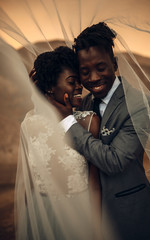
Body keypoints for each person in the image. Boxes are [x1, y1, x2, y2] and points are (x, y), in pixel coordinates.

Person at [52, 22, 150, 240]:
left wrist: (67, 122)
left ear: (115, 63)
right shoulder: (85, 102)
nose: (93, 78)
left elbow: (115, 161)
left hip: (131, 216)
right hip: (90, 216)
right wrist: (40, 86)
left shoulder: (141, 105)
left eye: (100, 68)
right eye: (85, 71)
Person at [15, 46, 102, 240]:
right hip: (40, 216)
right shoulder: (29, 125)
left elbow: (95, 184)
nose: (80, 86)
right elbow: (28, 185)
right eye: (72, 82)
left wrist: (96, 228)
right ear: (50, 87)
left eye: (79, 81)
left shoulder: (89, 122)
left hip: (79, 216)